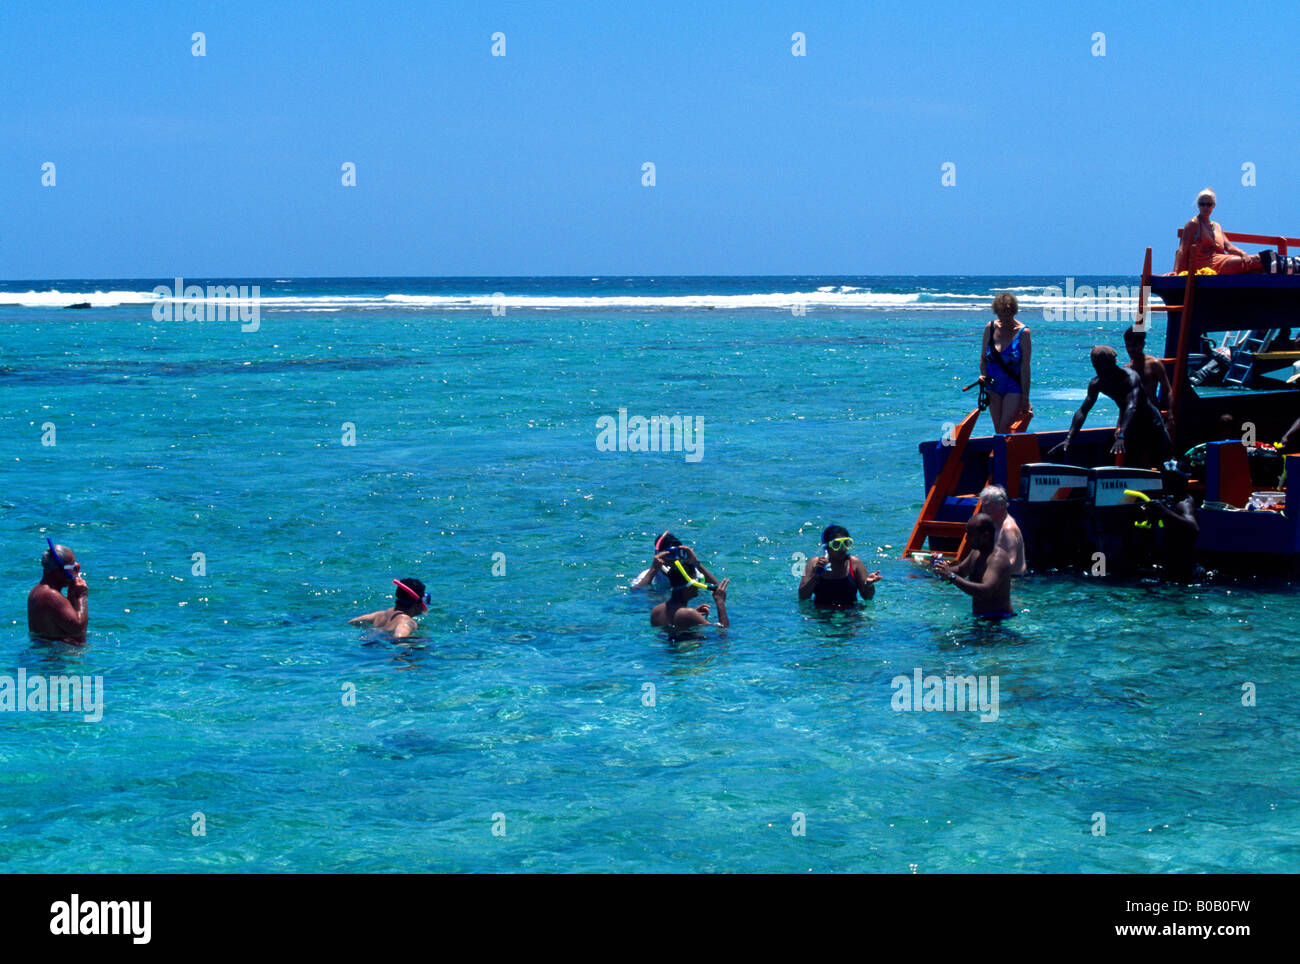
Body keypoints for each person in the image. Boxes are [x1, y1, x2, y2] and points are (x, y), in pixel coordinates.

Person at [1049, 346, 1173, 469]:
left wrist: (1122, 434)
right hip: (1131, 425)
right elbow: (1083, 411)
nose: (1101, 371)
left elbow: (1132, 406)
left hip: (1150, 421)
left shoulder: (1130, 376)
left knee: (1164, 462)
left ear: (1113, 363)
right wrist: (1069, 438)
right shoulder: (1097, 383)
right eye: (1097, 367)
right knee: (1134, 465)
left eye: (1103, 367)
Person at [934, 514, 1014, 620]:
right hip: (980, 617)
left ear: (986, 536)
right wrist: (941, 568)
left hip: (999, 619)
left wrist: (950, 576)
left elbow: (986, 591)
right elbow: (961, 571)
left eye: (971, 535)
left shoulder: (997, 559)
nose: (966, 539)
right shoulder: (976, 552)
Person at [979, 292, 1033, 434]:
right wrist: (983, 375)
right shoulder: (990, 328)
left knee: (1005, 430)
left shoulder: (1023, 332)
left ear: (1013, 312)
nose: (1004, 319)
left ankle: (999, 455)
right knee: (999, 431)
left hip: (1013, 386)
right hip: (992, 386)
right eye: (1000, 315)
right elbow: (983, 358)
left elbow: (1025, 367)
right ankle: (1003, 455)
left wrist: (1026, 399)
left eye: (1007, 315)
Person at [1174, 189, 1262, 275]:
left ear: (1213, 206)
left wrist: (1243, 254)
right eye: (1202, 204)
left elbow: (1229, 247)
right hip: (1205, 266)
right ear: (1198, 205)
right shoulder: (1194, 223)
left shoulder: (1217, 226)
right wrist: (1176, 272)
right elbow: (1182, 249)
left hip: (1222, 261)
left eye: (1209, 204)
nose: (1205, 207)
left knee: (1258, 265)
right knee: (1258, 260)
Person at [1140, 466, 1200, 581]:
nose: (1165, 483)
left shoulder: (1185, 503)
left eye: (1170, 480)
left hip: (1184, 569)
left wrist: (1163, 511)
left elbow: (1193, 528)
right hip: (1172, 566)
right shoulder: (1173, 500)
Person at [798, 525, 882, 607]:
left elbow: (867, 597)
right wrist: (816, 575)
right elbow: (803, 597)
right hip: (822, 614)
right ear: (826, 547)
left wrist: (869, 585)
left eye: (846, 543)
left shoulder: (855, 563)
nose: (842, 548)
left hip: (850, 613)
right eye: (836, 544)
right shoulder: (814, 564)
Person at [650, 547, 730, 630]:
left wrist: (695, 616)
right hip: (692, 643)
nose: (699, 585)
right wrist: (720, 602)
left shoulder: (656, 611)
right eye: (697, 580)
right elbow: (722, 633)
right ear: (690, 585)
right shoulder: (688, 614)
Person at [27, 542, 89, 643]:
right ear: (58, 571)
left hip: (47, 652)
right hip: (56, 656)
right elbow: (79, 631)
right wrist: (82, 596)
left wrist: (72, 595)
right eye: (72, 568)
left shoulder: (37, 590)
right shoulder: (51, 596)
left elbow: (65, 623)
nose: (75, 572)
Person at [1123, 326, 1174, 432]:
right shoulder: (1126, 369)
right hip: (1134, 417)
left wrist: (1170, 413)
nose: (1131, 350)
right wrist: (1119, 425)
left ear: (1142, 344)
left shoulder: (1153, 364)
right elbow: (1124, 400)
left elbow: (1168, 390)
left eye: (1134, 346)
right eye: (1128, 346)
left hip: (1152, 415)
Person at [349, 577, 428, 639]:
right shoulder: (407, 621)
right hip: (380, 651)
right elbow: (399, 638)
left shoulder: (381, 614)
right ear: (417, 603)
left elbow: (352, 622)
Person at [975, 485, 1026, 575]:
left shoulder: (1007, 529)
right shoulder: (994, 524)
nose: (984, 510)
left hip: (1012, 582)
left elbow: (1010, 563)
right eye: (983, 506)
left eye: (988, 506)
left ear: (1002, 504)